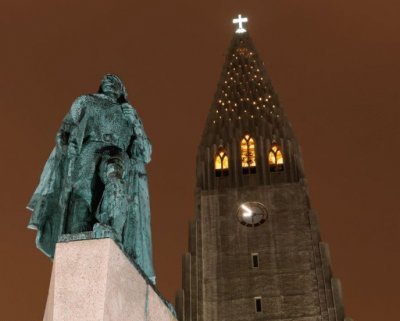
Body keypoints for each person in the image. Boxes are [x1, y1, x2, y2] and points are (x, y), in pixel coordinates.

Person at [27, 74, 155, 282]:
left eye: (115, 81)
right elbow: (65, 130)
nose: (109, 81)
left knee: (115, 175)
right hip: (88, 152)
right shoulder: (86, 101)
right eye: (106, 79)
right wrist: (67, 144)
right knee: (81, 201)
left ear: (122, 91)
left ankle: (111, 227)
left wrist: (136, 122)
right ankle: (78, 248)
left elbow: (145, 153)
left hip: (115, 151)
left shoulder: (127, 114)